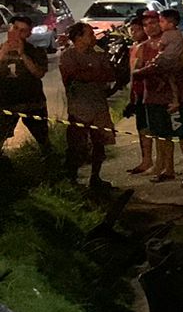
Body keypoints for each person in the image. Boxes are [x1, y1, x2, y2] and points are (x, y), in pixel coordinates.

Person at [134, 8, 183, 185]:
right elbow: (136, 71)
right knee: (162, 135)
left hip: (175, 99)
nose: (150, 27)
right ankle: (168, 169)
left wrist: (163, 67)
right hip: (152, 98)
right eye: (145, 25)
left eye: (154, 22)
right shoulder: (143, 48)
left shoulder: (174, 41)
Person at [59, 22, 118, 190]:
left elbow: (110, 74)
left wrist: (89, 73)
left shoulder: (98, 53)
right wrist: (93, 74)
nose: (93, 37)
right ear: (78, 37)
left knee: (99, 144)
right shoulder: (68, 56)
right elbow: (72, 76)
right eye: (89, 34)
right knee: (76, 146)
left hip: (98, 107)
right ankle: (71, 179)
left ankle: (95, 178)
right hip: (79, 108)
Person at [0, 13, 52, 160]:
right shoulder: (1, 50)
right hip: (7, 104)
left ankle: (50, 167)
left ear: (28, 33)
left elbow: (39, 73)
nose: (17, 33)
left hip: (32, 103)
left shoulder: (35, 50)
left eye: (23, 31)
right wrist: (2, 54)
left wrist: (23, 55)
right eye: (15, 28)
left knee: (43, 139)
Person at [126, 11, 159, 175]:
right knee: (142, 128)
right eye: (131, 30)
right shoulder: (134, 48)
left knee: (152, 128)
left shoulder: (148, 47)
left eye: (136, 29)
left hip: (149, 92)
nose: (133, 33)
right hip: (138, 93)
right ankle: (146, 160)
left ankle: (156, 162)